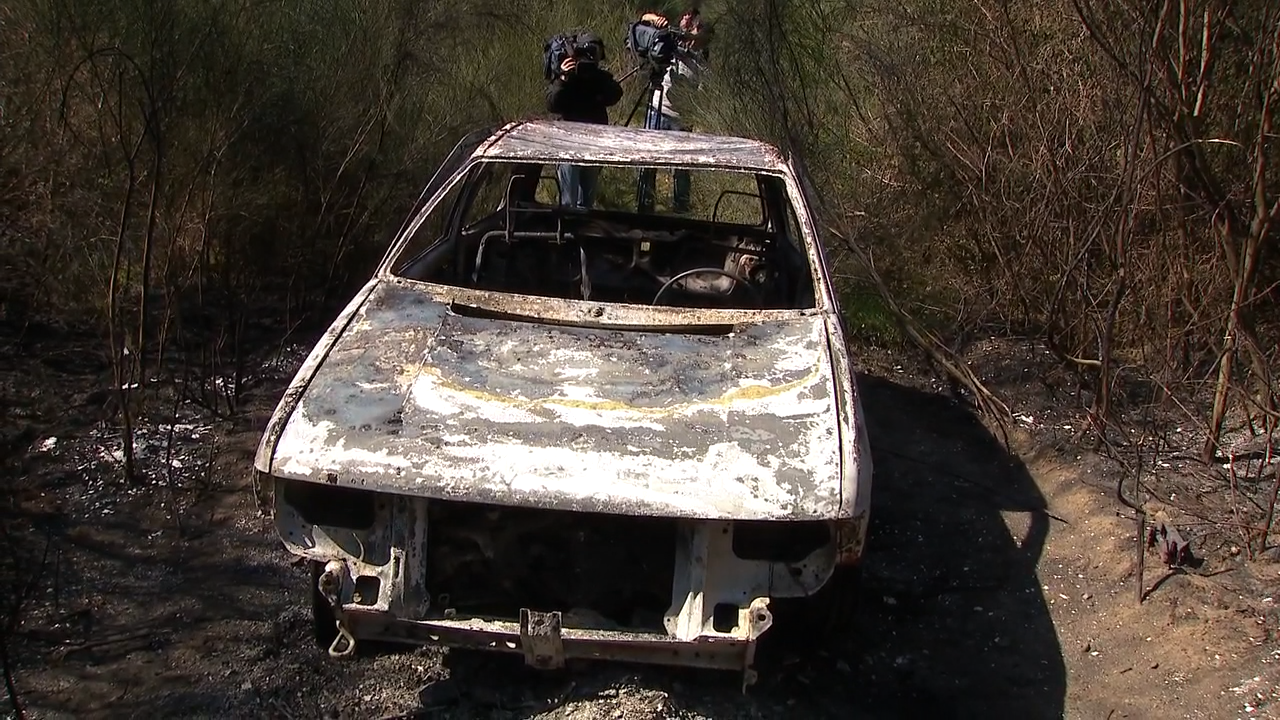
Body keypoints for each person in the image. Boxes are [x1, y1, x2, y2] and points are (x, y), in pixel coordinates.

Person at [636, 8, 708, 215]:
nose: (689, 31)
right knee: (647, 160)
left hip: (681, 119)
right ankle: (644, 205)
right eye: (687, 22)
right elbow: (641, 24)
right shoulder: (668, 44)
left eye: (694, 27)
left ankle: (680, 208)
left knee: (682, 167)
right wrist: (655, 20)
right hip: (658, 110)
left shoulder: (701, 60)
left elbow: (702, 95)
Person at [545, 31, 623, 209]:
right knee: (568, 200)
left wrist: (595, 77)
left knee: (587, 200)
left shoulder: (599, 78)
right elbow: (551, 104)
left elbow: (615, 94)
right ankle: (567, 232)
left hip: (593, 143)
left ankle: (583, 232)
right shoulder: (566, 78)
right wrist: (564, 78)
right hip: (568, 143)